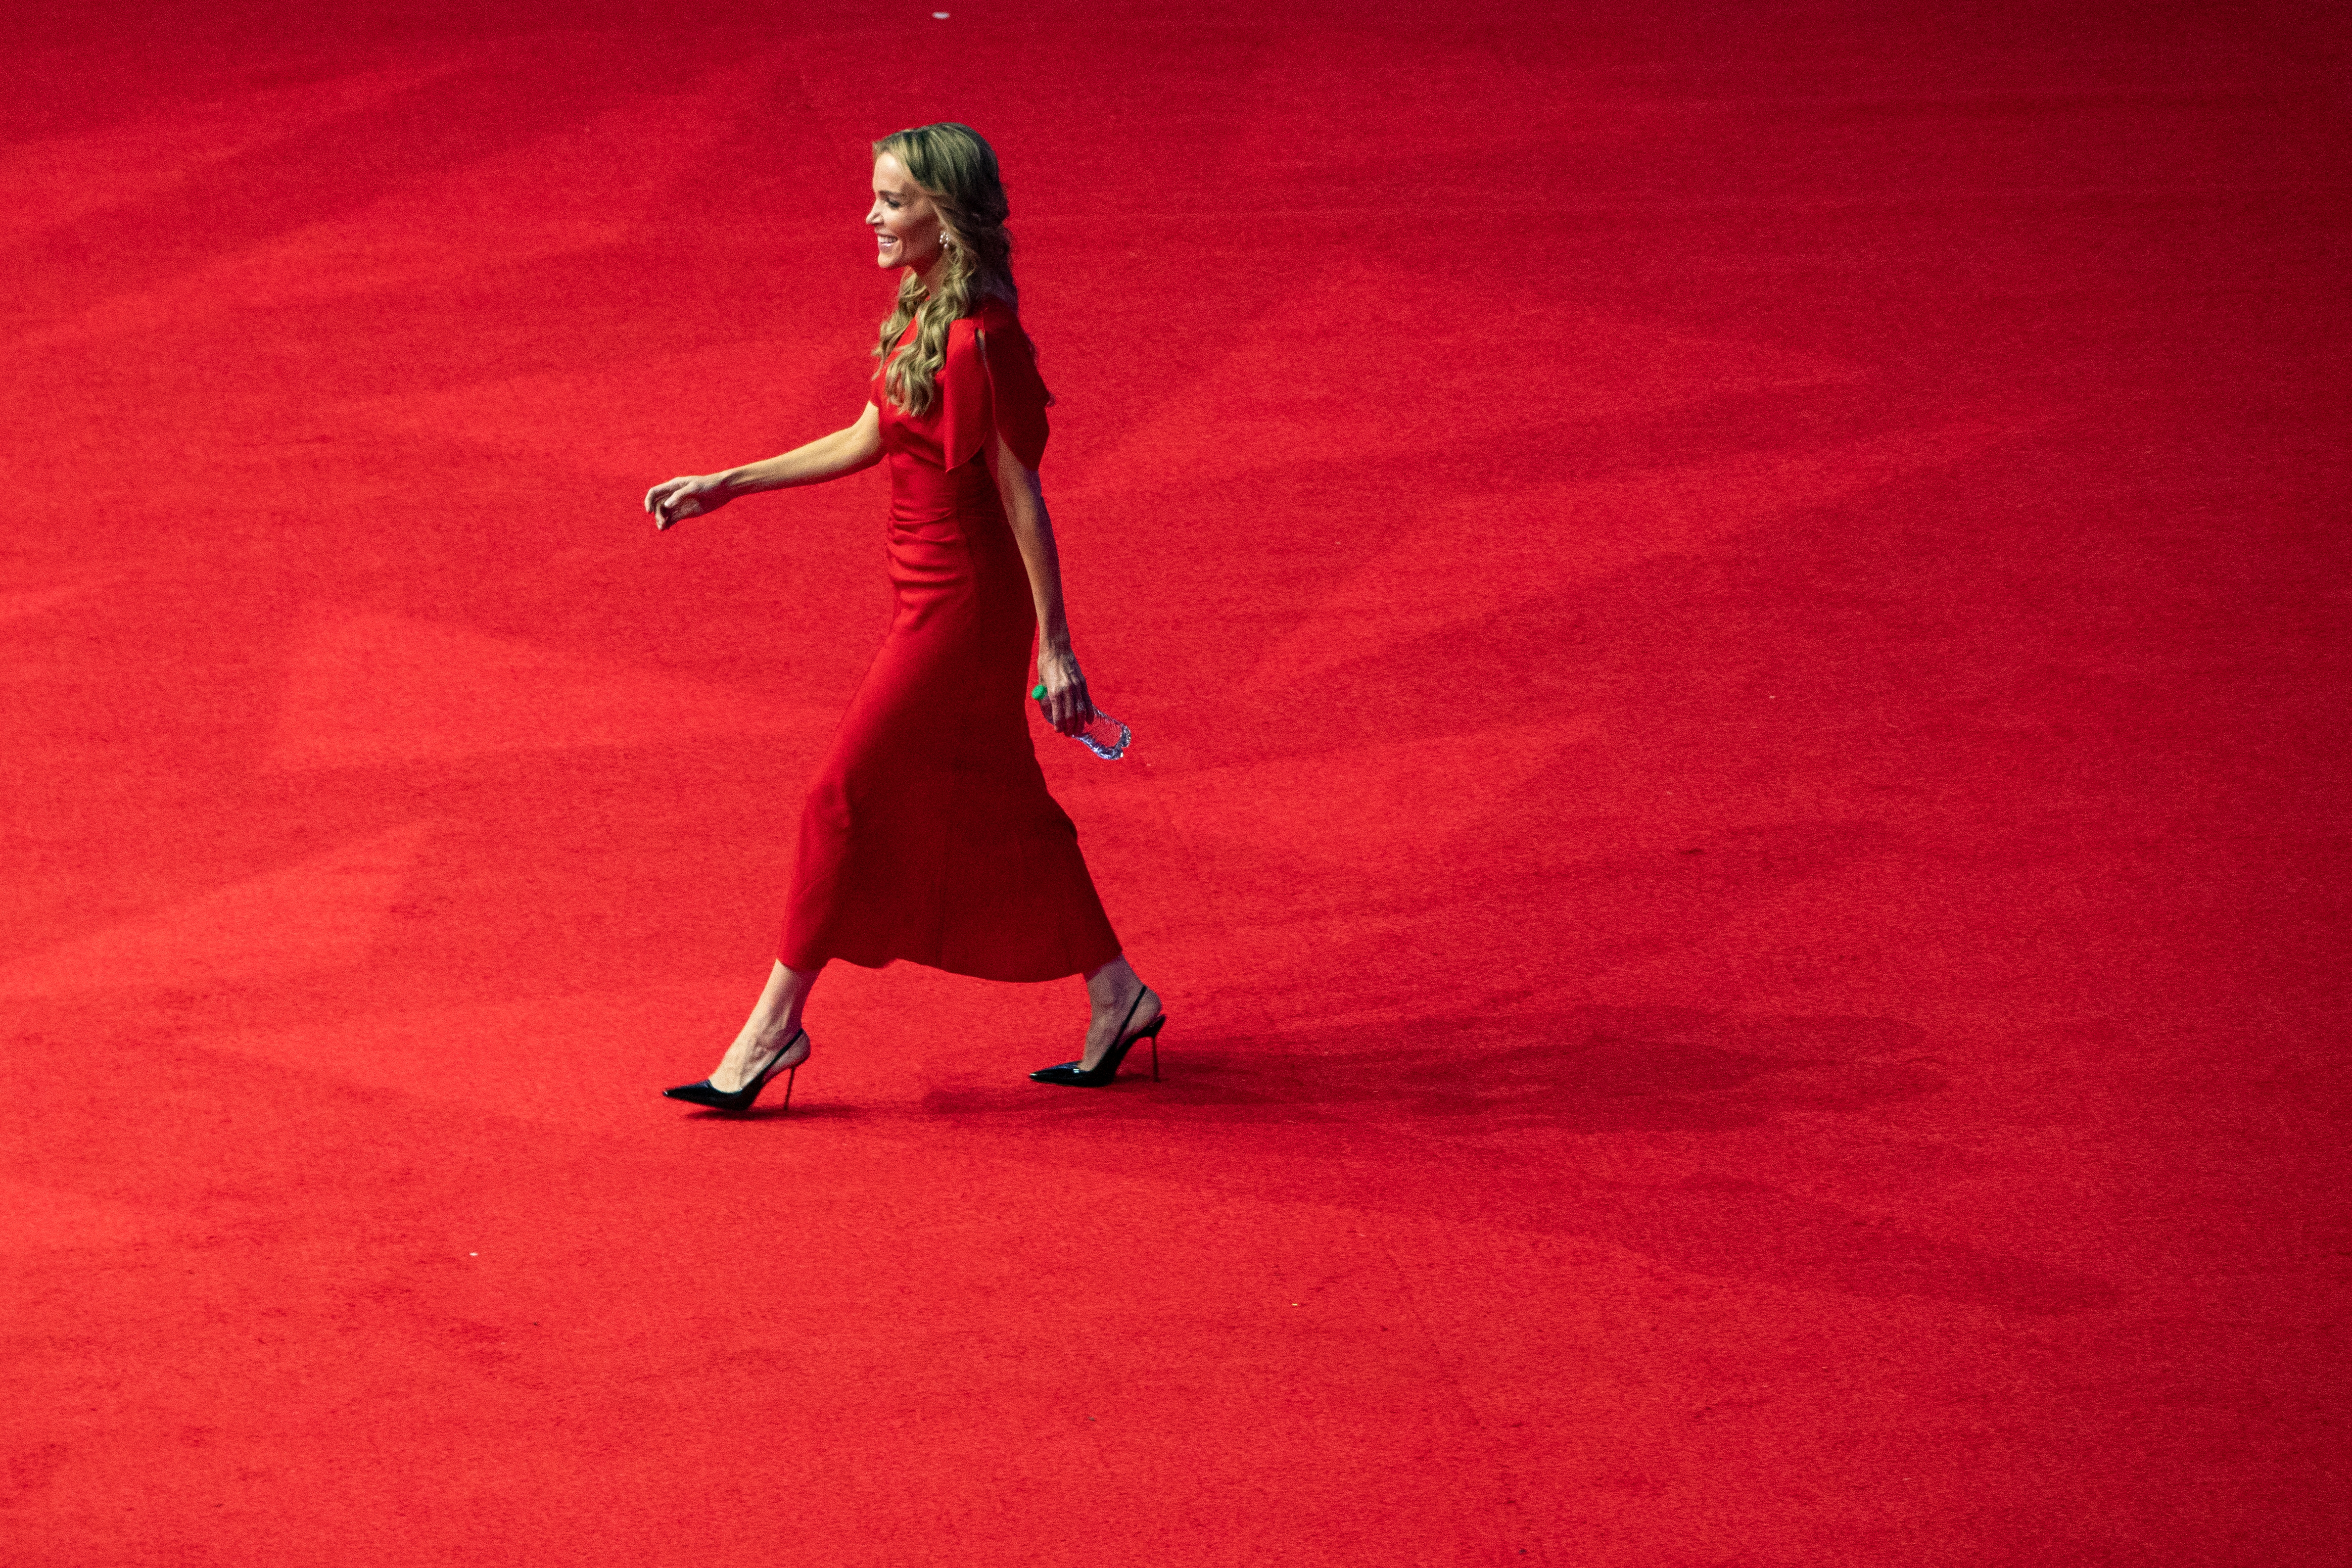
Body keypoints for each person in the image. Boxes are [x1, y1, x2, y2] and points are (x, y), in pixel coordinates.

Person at [645, 122, 1163, 1112]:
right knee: (1006, 809)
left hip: (964, 611)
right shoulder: (926, 306)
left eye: (892, 200)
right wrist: (729, 483)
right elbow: (870, 436)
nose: (872, 217)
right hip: (919, 585)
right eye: (876, 196)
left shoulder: (980, 340)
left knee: (838, 797)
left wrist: (1056, 646)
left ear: (946, 213)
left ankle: (769, 1032)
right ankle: (1117, 995)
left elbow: (1022, 493)